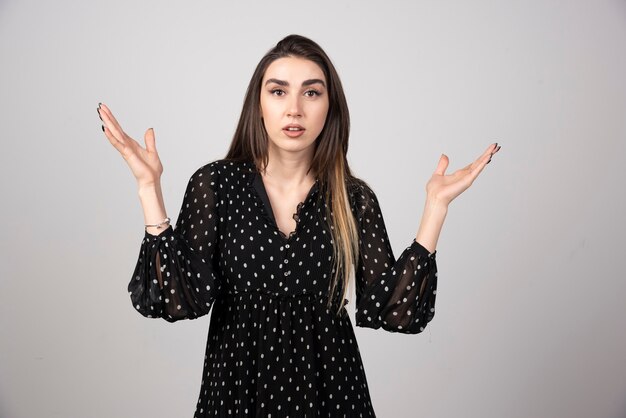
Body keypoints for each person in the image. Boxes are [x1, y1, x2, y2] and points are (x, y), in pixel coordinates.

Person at [97, 34, 501, 417]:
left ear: (330, 107)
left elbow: (396, 312)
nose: (295, 109)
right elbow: (178, 300)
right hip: (237, 393)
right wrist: (149, 187)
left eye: (311, 92)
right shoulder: (216, 184)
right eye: (278, 91)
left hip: (332, 394)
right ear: (258, 104)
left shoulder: (352, 198)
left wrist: (436, 207)